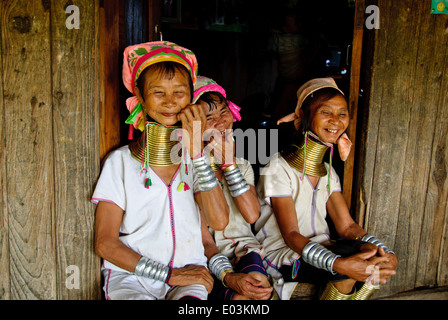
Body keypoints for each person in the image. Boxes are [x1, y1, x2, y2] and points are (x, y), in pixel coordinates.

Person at [92, 42, 229, 300]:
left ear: (191, 97)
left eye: (179, 92)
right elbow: (104, 243)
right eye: (158, 92)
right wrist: (168, 274)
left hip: (189, 275)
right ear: (140, 98)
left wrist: (197, 150)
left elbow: (219, 221)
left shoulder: (196, 160)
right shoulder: (119, 162)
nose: (170, 102)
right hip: (131, 278)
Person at [254, 78, 397, 300]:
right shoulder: (277, 167)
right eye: (326, 112)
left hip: (321, 250)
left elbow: (347, 226)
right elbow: (291, 235)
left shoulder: (328, 172)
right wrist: (339, 264)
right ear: (302, 115)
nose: (336, 121)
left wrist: (384, 251)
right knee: (346, 271)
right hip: (281, 256)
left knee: (371, 257)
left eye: (342, 113)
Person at [193, 76, 273, 300]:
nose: (220, 121)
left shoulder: (242, 165)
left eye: (223, 111)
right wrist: (228, 276)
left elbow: (251, 214)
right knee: (239, 299)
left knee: (258, 288)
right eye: (209, 117)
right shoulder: (186, 171)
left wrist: (228, 163)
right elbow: (206, 241)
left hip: (245, 251)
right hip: (205, 256)